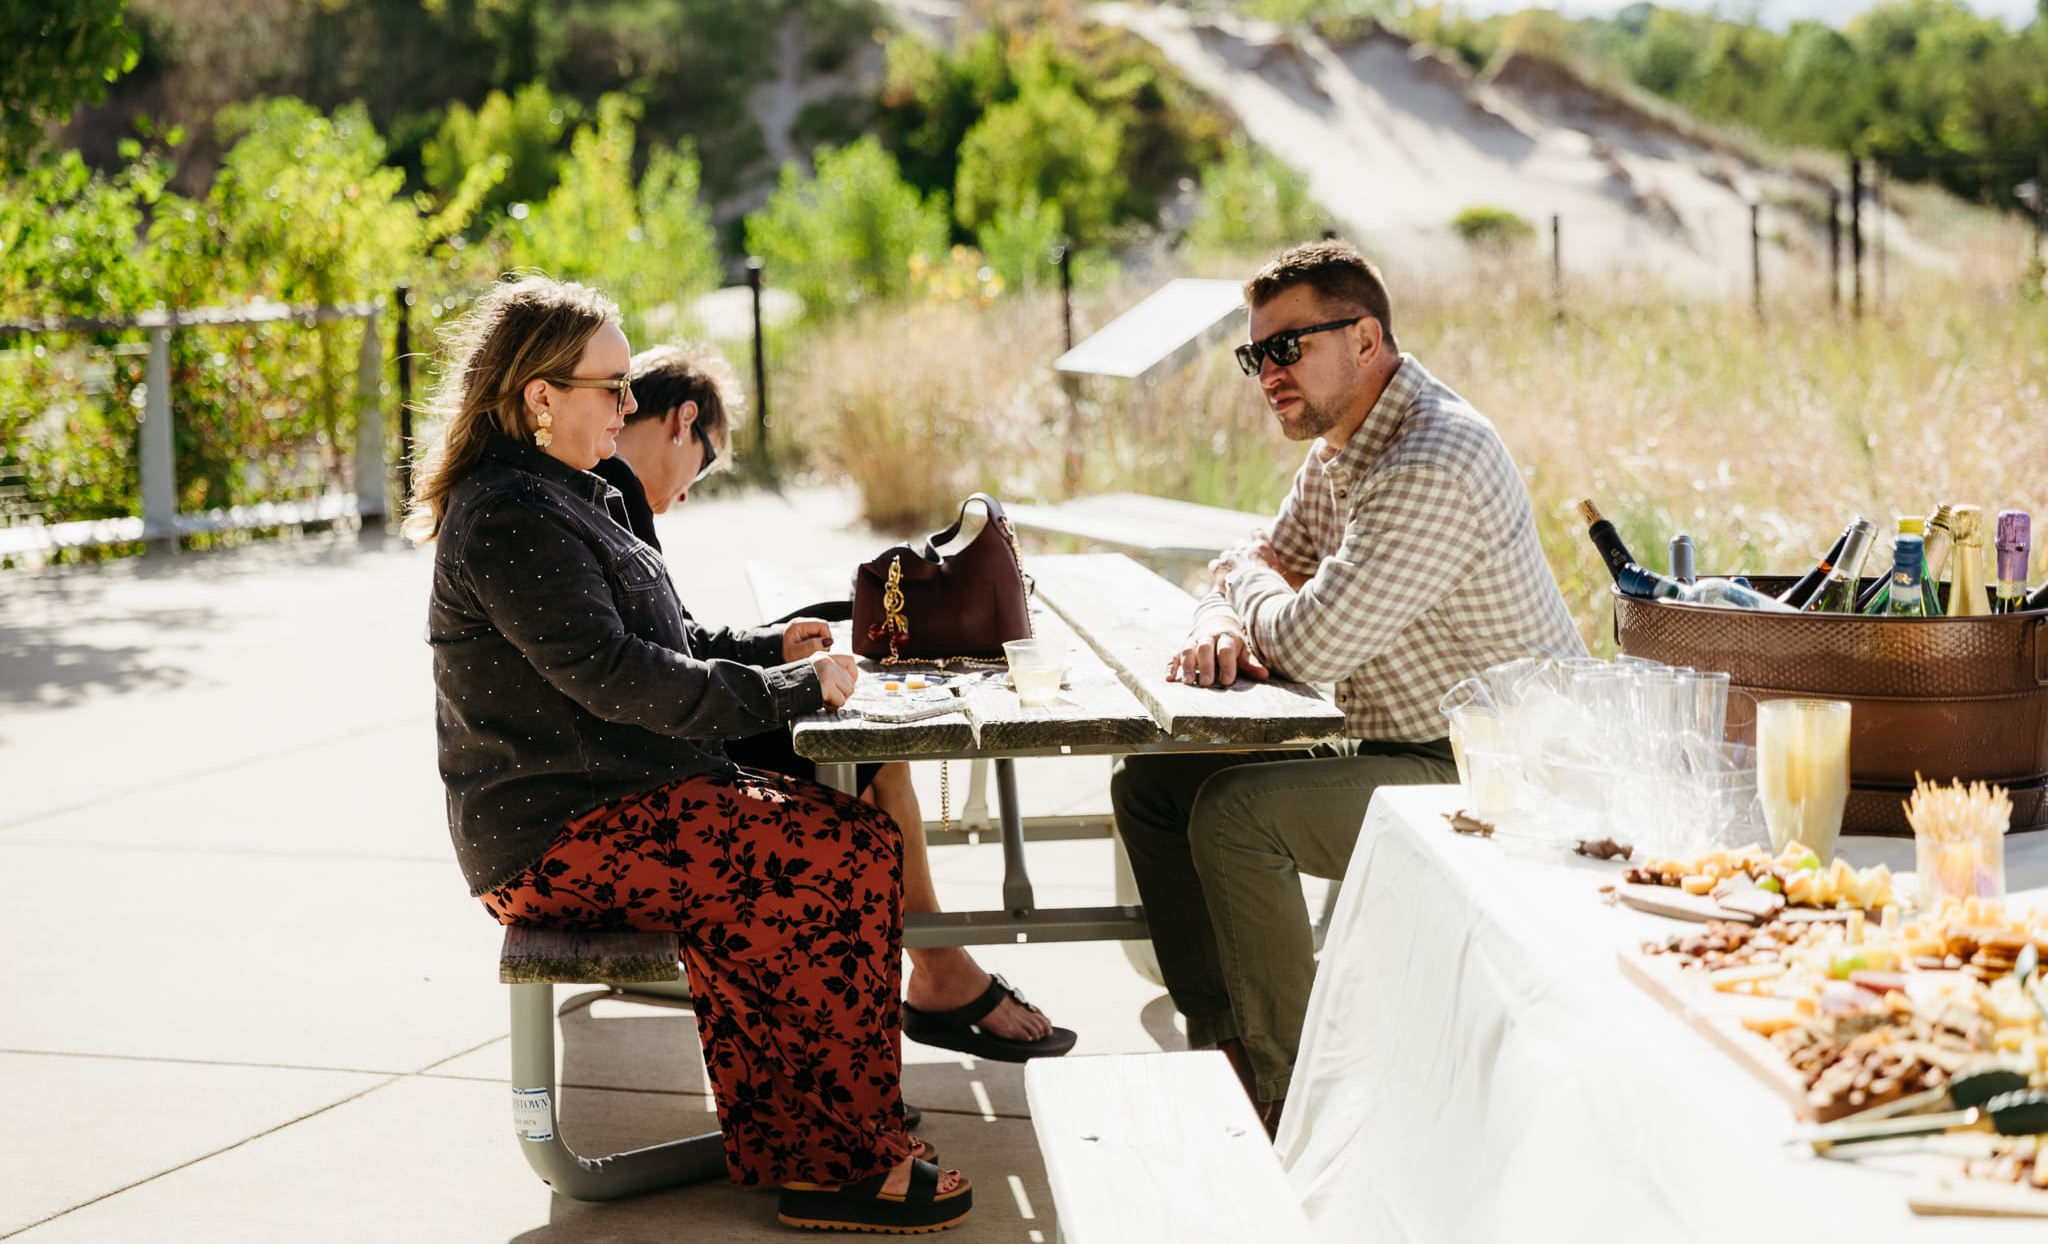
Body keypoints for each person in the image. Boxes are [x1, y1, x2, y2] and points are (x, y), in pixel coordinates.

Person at [408, 276, 971, 1234]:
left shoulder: (565, 491)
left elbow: (658, 640)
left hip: (619, 802)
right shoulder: (508, 513)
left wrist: (763, 650)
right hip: (557, 835)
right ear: (541, 395)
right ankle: (837, 1159)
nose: (629, 406)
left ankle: (832, 1124)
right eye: (613, 386)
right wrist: (787, 690)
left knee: (852, 842)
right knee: (821, 856)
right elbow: (617, 675)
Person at [1110, 241, 1586, 1133]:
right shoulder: (1346, 444)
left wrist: (1242, 584)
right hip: (1404, 743)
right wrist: (1221, 613)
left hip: (1502, 772)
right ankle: (1231, 1051)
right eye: (1256, 355)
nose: (1267, 374)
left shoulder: (1430, 459)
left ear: (1366, 339)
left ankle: (1300, 1101)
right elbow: (1261, 563)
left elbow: (1308, 640)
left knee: (1239, 814)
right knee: (1153, 786)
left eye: (1287, 347)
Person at [594, 342, 1075, 1062]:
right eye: (710, 458)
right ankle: (931, 977)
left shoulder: (608, 486)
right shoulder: (607, 484)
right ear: (682, 421)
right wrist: (788, 677)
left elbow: (676, 634)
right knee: (866, 750)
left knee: (867, 742)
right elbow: (647, 665)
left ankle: (934, 971)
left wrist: (773, 645)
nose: (693, 487)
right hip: (649, 772)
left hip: (650, 745)